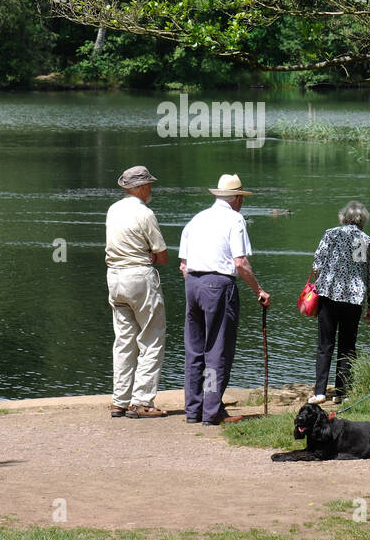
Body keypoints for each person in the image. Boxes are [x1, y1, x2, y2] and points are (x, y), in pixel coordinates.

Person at [178, 173, 271, 426]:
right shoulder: (235, 219)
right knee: (216, 351)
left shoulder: (197, 219)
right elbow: (240, 263)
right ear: (238, 198)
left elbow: (183, 266)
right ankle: (212, 411)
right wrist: (258, 290)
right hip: (217, 286)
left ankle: (193, 410)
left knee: (195, 350)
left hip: (193, 285)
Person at [105, 166, 169, 418]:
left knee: (123, 340)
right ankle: (142, 400)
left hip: (114, 277)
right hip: (139, 277)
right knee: (152, 338)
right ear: (141, 188)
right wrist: (152, 256)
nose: (151, 189)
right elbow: (162, 255)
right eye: (149, 185)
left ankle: (119, 400)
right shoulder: (145, 213)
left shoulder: (113, 209)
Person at [307, 200, 370, 405]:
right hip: (354, 299)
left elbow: (317, 264)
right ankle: (341, 393)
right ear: (363, 220)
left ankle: (320, 392)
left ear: (343, 217)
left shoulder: (331, 234)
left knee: (324, 345)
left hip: (328, 294)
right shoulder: (367, 241)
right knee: (347, 347)